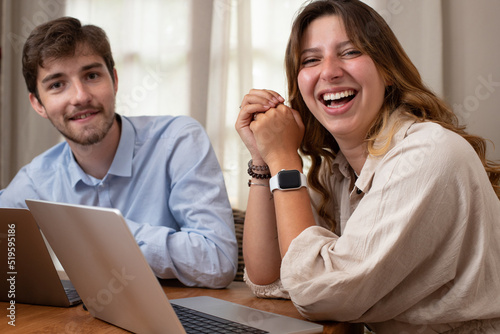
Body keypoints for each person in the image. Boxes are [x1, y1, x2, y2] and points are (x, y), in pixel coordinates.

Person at [235, 0, 500, 332]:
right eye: (311, 59)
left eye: (350, 52)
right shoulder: (338, 172)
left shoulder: (426, 153)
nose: (329, 71)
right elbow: (267, 277)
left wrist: (285, 161)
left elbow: (315, 292)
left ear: (387, 71)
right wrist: (263, 159)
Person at [0, 16, 238, 289]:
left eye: (91, 76)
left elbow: (218, 262)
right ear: (38, 104)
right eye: (57, 85)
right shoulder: (37, 178)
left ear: (113, 80)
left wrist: (104, 232)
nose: (80, 96)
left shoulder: (178, 140)